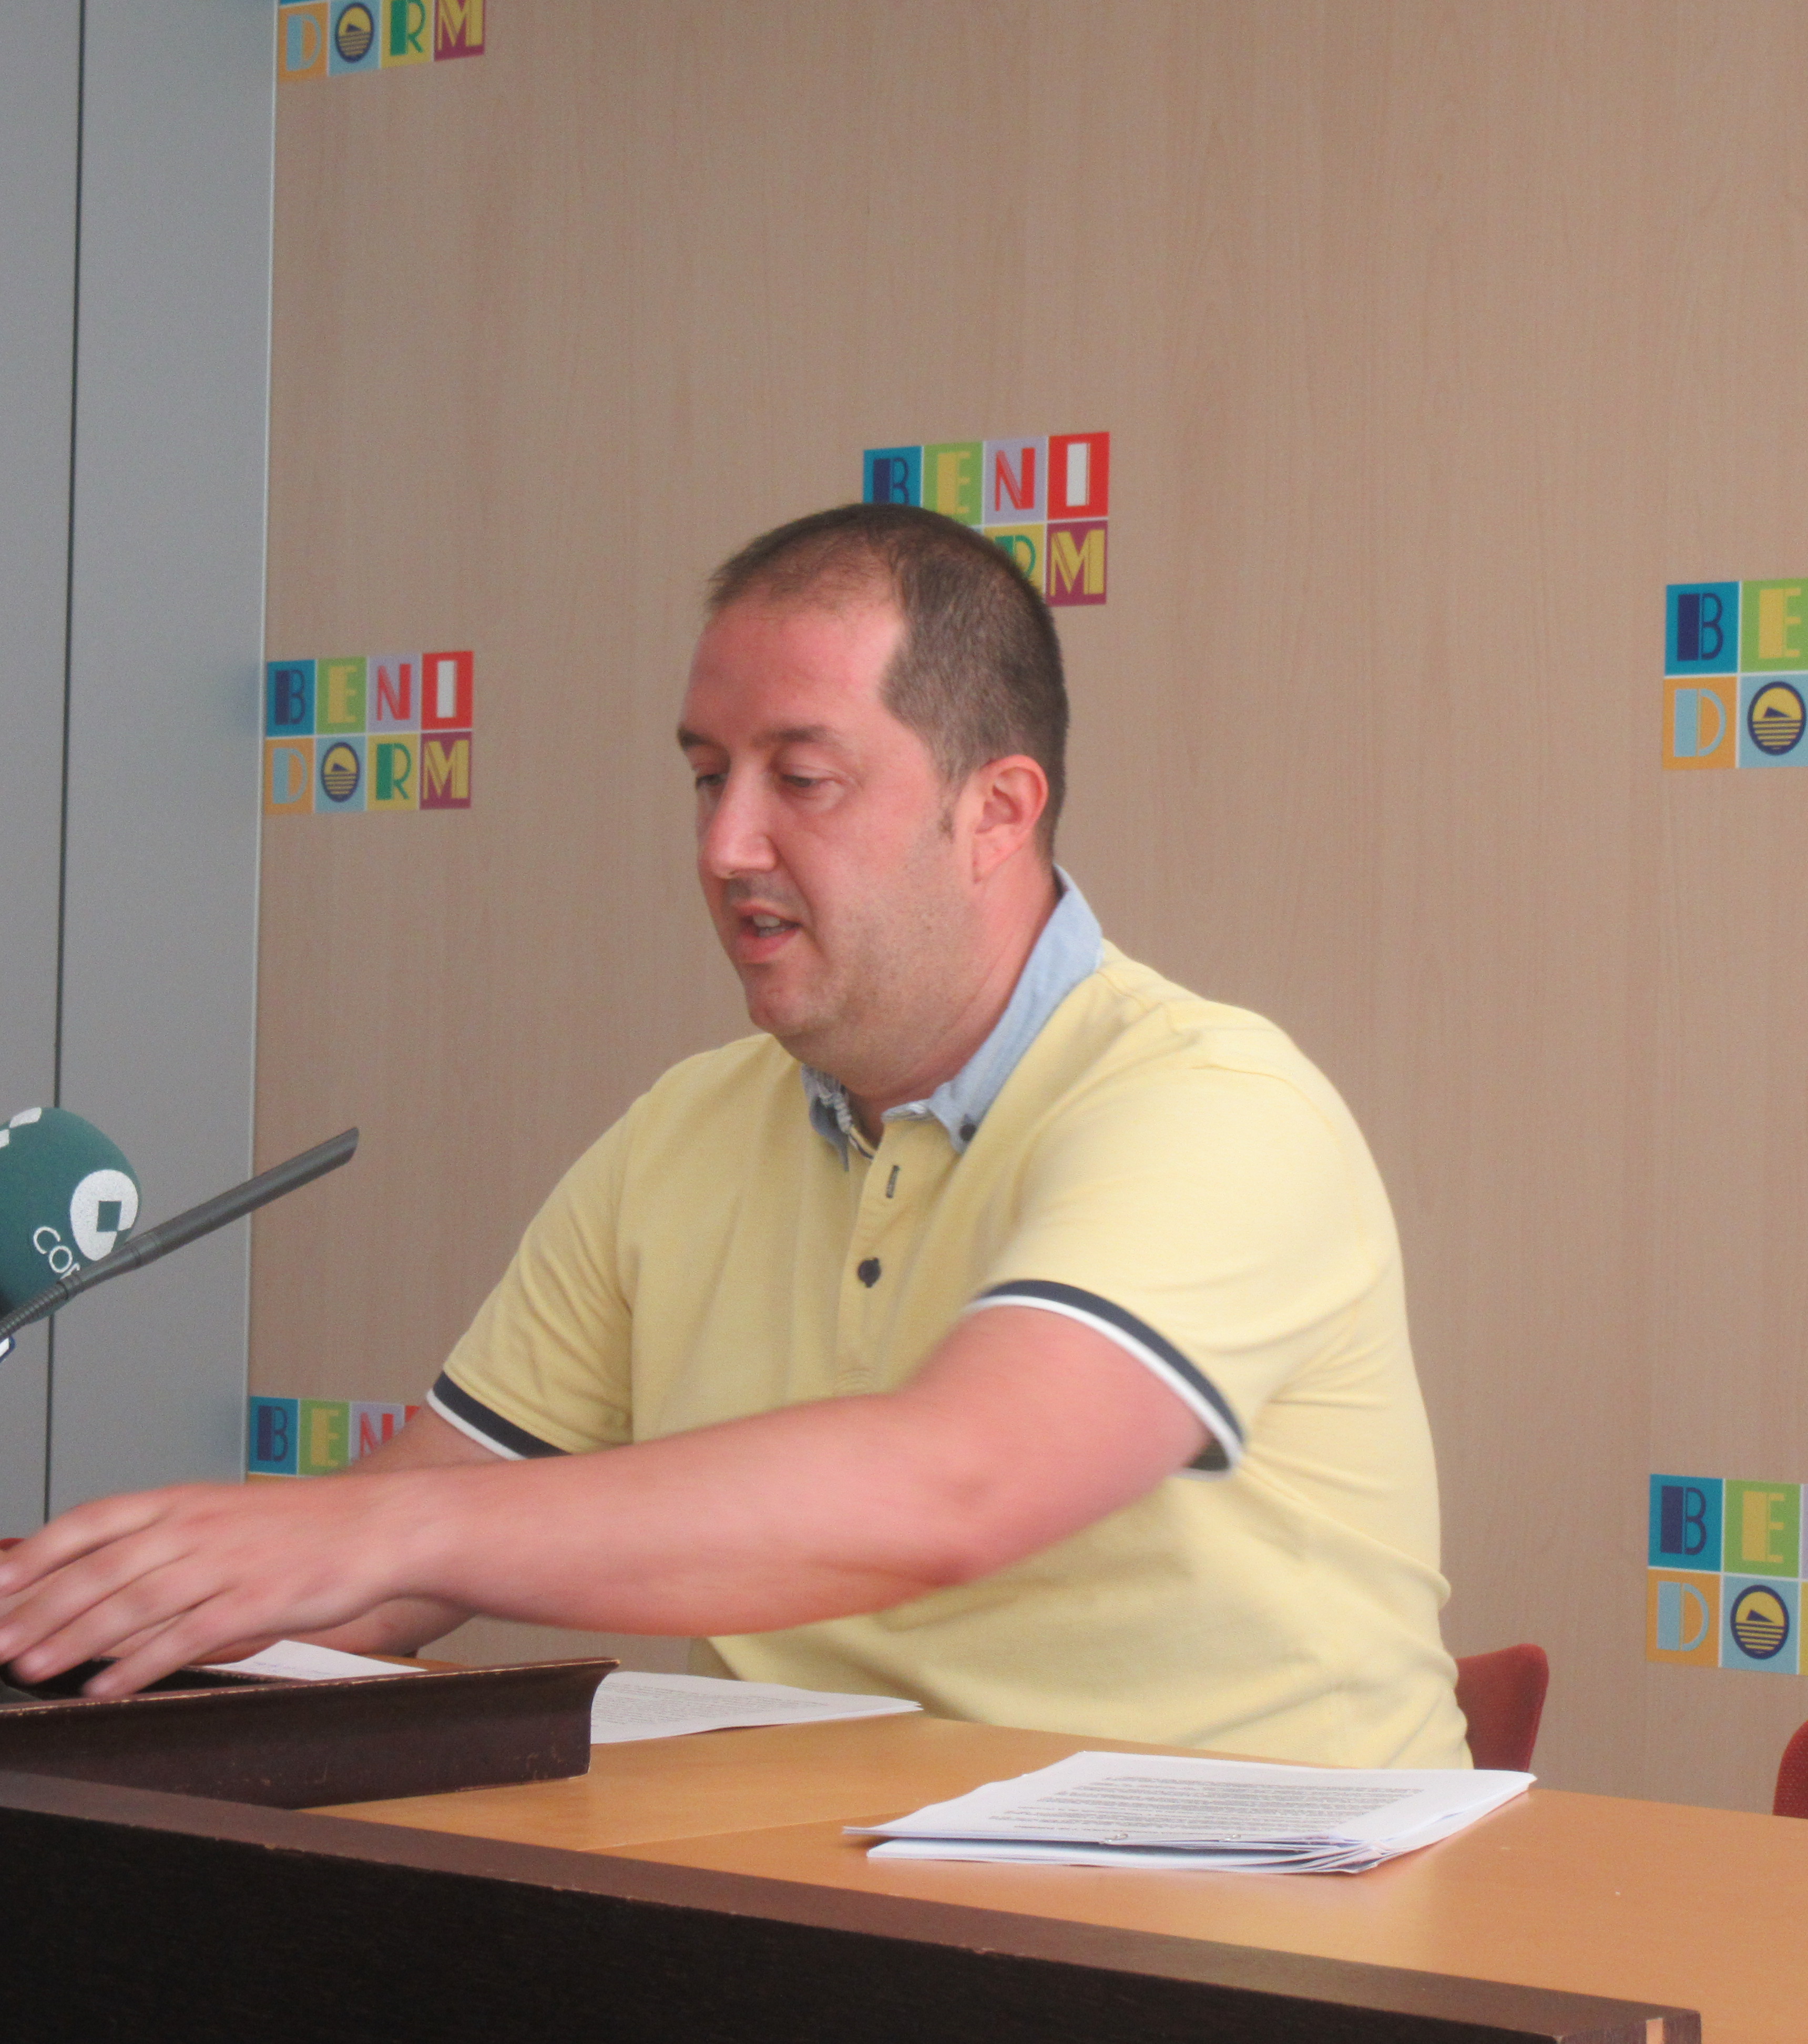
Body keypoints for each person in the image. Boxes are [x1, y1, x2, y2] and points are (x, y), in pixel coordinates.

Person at [0, 505, 1469, 1769]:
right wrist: (73, 1621)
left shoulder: (1213, 1105)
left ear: (997, 812)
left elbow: (957, 1481)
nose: (723, 847)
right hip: (815, 1905)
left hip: (1260, 1939)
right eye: (710, 776)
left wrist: (380, 1537)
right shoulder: (683, 1134)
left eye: (801, 781)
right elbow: (381, 1560)